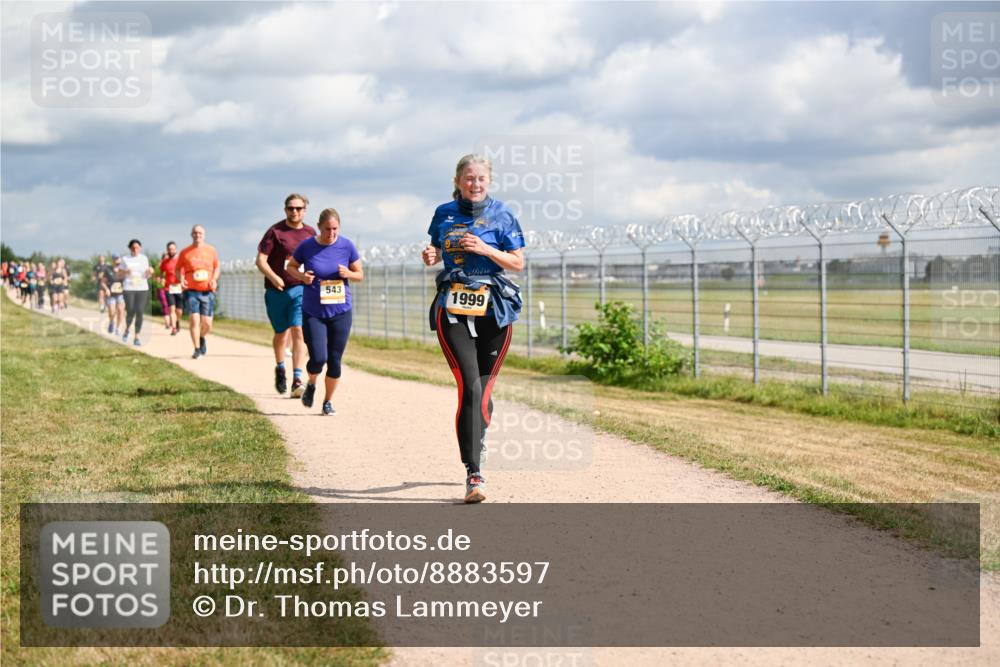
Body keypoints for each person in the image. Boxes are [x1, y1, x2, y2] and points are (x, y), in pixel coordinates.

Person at [422, 154, 525, 503]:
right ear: (458, 180)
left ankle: (477, 428)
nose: (475, 184)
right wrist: (432, 255)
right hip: (453, 307)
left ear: (489, 181)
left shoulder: (502, 214)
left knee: (483, 394)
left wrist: (484, 248)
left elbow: (518, 262)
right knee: (468, 387)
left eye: (480, 178)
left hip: (494, 308)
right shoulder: (443, 213)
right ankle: (474, 474)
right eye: (469, 178)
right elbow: (437, 247)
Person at [286, 208, 362, 416]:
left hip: (340, 310)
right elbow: (291, 267)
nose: (331, 233)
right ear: (319, 227)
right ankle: (311, 382)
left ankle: (327, 402)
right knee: (318, 358)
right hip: (314, 311)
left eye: (335, 229)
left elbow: (360, 274)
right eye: (327, 229)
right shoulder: (307, 246)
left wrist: (348, 273)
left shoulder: (346, 246)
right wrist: (302, 277)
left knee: (335, 360)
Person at [256, 194, 316, 397]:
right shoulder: (275, 231)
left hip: (299, 289)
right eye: (291, 208)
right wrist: (274, 278)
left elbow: (316, 259)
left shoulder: (310, 233)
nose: (294, 212)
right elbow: (261, 261)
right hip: (276, 292)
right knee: (281, 333)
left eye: (299, 208)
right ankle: (280, 367)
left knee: (298, 331)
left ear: (305, 210)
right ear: (285, 210)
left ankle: (297, 378)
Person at [176, 224, 220, 359]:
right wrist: (181, 279)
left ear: (204, 235)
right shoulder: (185, 252)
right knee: (194, 320)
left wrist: (214, 279)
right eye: (195, 233)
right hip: (191, 290)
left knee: (207, 323)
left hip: (207, 291)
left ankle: (202, 337)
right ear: (191, 235)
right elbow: (178, 269)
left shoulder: (211, 250)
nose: (197, 235)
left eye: (200, 233)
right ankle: (196, 349)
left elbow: (217, 267)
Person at [120, 239, 153, 346]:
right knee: (130, 311)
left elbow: (147, 275)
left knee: (139, 312)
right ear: (130, 248)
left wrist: (149, 272)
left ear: (140, 248)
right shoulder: (125, 259)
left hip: (142, 288)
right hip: (129, 288)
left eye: (137, 247)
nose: (135, 249)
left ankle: (137, 336)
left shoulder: (144, 258)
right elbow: (119, 274)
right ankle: (127, 330)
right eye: (133, 247)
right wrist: (125, 271)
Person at [159, 242, 182, 335]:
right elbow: (161, 272)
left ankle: (177, 321)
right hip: (169, 288)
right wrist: (162, 278)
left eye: (173, 249)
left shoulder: (181, 260)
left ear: (175, 249)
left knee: (179, 311)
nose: (171, 251)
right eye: (169, 249)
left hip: (179, 287)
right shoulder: (165, 262)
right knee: (172, 309)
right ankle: (174, 328)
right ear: (167, 250)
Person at [101, 254, 126, 335]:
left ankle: (118, 328)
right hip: (111, 294)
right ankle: (111, 322)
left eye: (118, 259)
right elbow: (103, 282)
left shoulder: (123, 271)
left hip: (121, 294)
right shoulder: (108, 270)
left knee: (120, 310)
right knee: (112, 312)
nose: (117, 260)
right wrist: (107, 289)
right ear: (113, 260)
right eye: (115, 259)